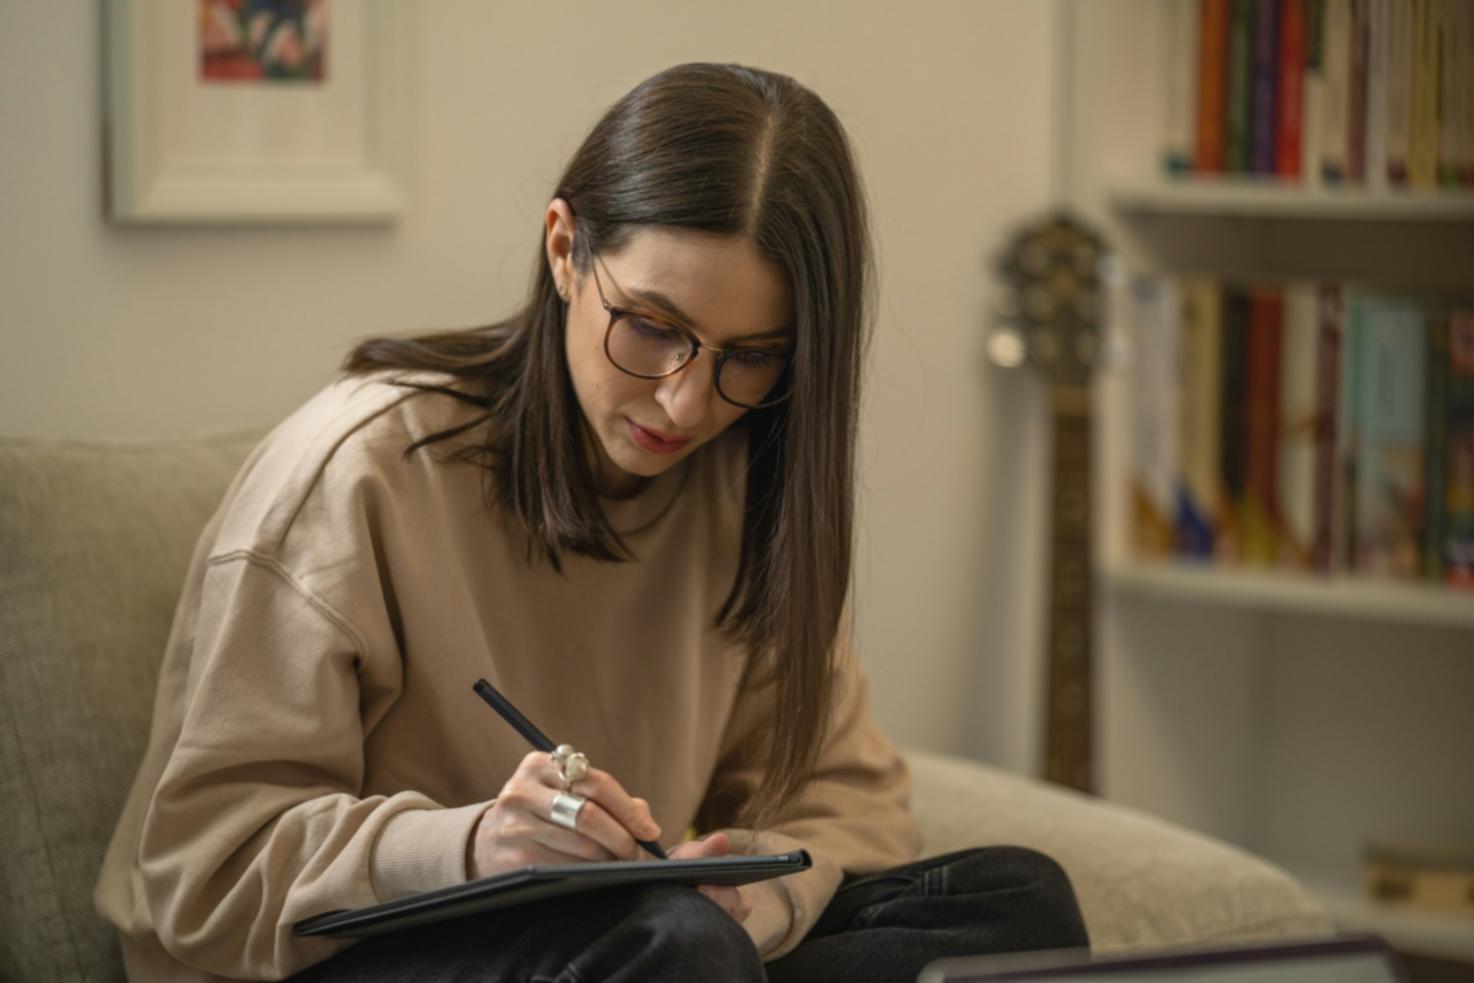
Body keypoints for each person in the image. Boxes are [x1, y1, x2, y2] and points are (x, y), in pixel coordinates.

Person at [94, 62, 1089, 982]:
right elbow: (195, 864)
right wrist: (477, 844)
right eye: (652, 327)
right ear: (565, 249)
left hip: (651, 953)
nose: (685, 402)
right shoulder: (361, 474)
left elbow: (849, 797)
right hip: (362, 954)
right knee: (671, 943)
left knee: (1014, 898)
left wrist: (767, 890)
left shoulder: (743, 486)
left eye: (749, 356)